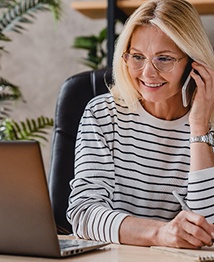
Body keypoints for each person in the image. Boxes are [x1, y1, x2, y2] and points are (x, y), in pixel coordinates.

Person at [67, 0, 214, 249]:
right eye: (137, 57)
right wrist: (160, 233)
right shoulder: (103, 114)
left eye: (164, 59)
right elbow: (83, 213)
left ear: (193, 63)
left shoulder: (207, 123)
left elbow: (208, 232)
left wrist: (199, 127)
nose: (147, 73)